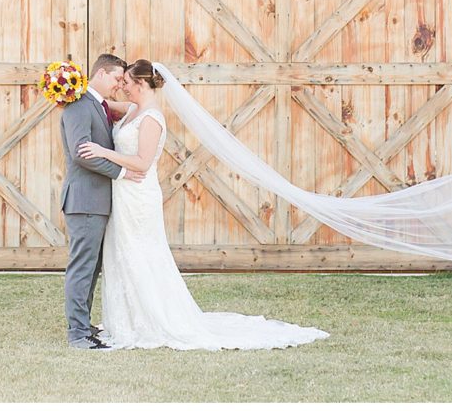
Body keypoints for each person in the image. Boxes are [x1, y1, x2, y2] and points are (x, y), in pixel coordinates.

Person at [77, 59, 329, 350]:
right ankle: (127, 318)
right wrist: (71, 90)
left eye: (128, 83)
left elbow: (143, 163)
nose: (123, 88)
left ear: (142, 84)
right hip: (123, 195)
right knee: (121, 252)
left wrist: (102, 152)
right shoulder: (133, 110)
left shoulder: (151, 118)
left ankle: (153, 319)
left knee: (142, 254)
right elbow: (102, 106)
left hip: (139, 195)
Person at [59, 53, 145, 351]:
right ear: (101, 73)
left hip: (97, 202)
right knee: (82, 267)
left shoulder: (99, 105)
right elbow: (82, 153)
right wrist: (121, 171)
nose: (120, 84)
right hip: (84, 201)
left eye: (124, 80)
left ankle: (84, 326)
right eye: (117, 78)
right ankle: (78, 334)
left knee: (92, 267)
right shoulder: (79, 105)